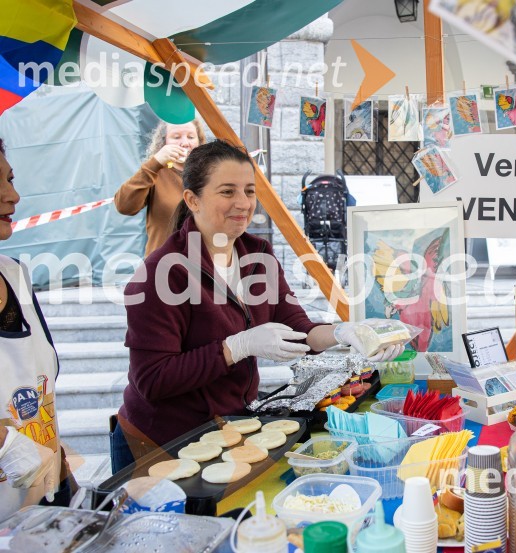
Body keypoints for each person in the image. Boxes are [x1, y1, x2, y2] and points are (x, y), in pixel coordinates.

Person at [111, 140, 403, 472]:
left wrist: (345, 333)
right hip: (161, 443)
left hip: (227, 429)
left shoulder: (258, 255)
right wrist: (236, 347)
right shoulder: (162, 273)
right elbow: (152, 380)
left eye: (249, 191)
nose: (243, 203)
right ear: (192, 199)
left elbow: (299, 329)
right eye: (227, 192)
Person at [0, 138, 68, 519]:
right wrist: (6, 445)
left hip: (40, 514)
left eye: (10, 179)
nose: (13, 196)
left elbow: (41, 393)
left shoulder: (16, 275)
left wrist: (61, 470)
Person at [114, 120, 206, 257]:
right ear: (164, 143)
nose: (185, 143)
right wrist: (154, 164)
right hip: (162, 264)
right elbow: (124, 206)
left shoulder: (210, 175)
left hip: (202, 264)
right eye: (176, 137)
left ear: (199, 142)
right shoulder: (154, 173)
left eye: (191, 137)